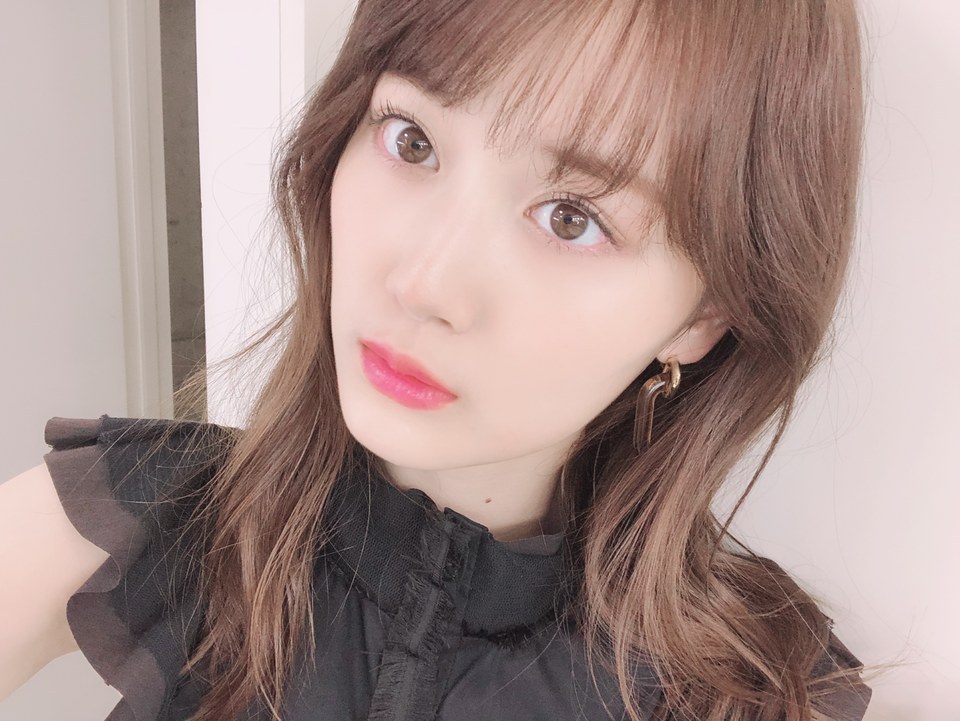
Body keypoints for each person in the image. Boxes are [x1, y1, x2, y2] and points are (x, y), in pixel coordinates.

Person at [0, 0, 873, 719]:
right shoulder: (125, 517)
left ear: (705, 315)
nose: (422, 283)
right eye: (411, 139)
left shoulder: (755, 696)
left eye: (571, 217)